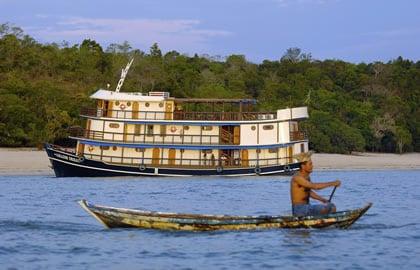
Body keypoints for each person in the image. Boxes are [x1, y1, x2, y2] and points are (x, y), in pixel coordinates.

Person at [290, 151, 341, 217]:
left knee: (332, 206)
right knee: (325, 208)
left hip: (307, 207)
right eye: (310, 164)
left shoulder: (307, 177)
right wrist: (332, 183)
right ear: (303, 166)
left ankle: (326, 223)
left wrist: (322, 200)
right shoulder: (297, 178)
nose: (312, 166)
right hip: (299, 209)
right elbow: (315, 186)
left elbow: (309, 192)